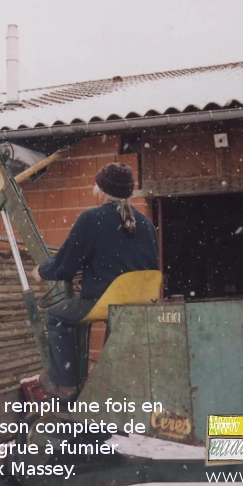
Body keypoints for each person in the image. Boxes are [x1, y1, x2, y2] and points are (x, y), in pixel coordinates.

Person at [31, 162, 159, 400]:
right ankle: (111, 389)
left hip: (105, 301)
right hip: (138, 303)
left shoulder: (92, 218)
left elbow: (65, 264)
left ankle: (66, 383)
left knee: (57, 317)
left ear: (102, 189)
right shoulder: (146, 224)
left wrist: (42, 271)